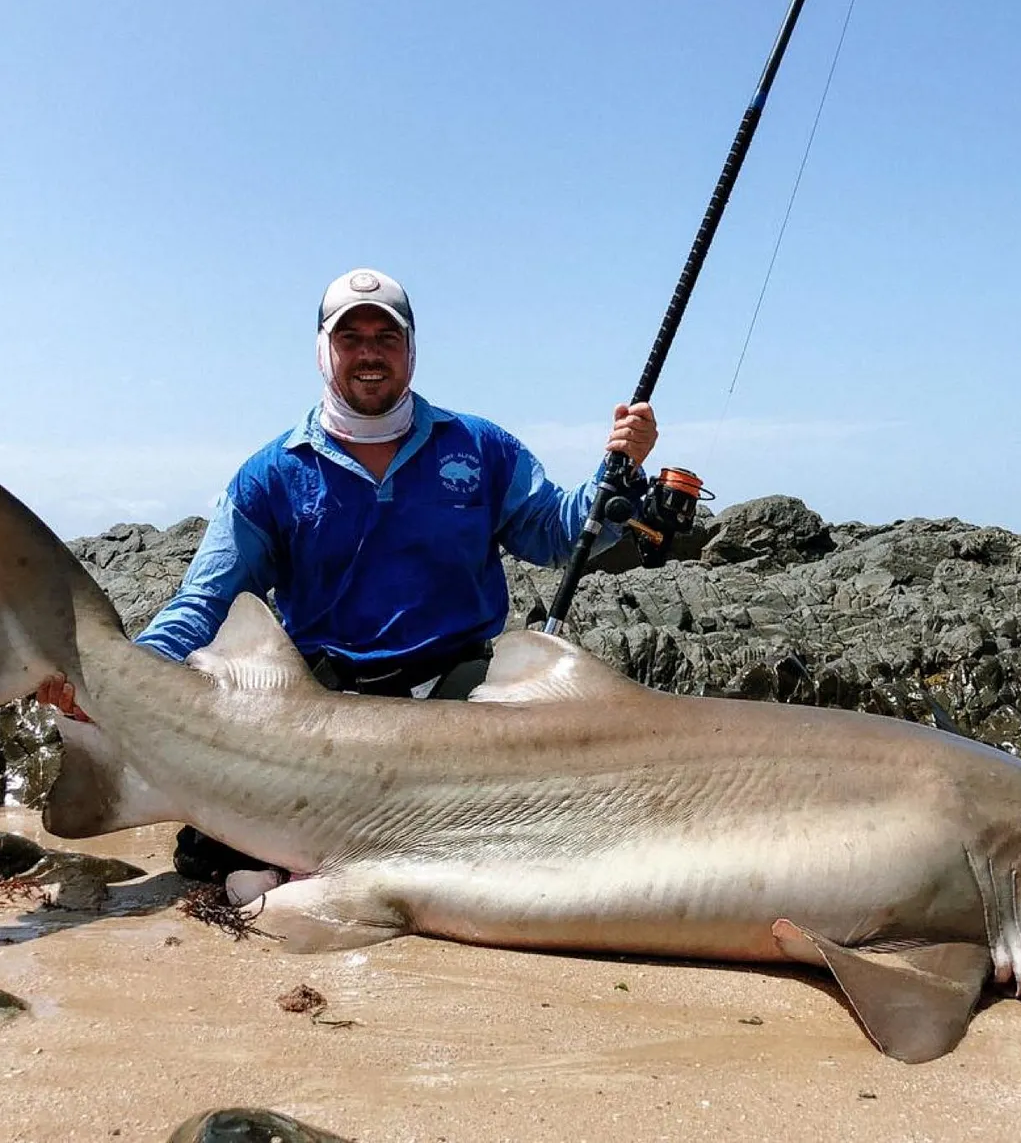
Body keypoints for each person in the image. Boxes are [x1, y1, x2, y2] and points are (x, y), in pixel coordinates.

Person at [37, 267, 658, 897]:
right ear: (323, 350)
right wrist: (115, 678)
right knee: (206, 854)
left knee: (540, 833)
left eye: (386, 339)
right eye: (350, 337)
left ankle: (315, 871)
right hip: (323, 704)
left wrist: (622, 474)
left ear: (411, 350)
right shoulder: (271, 475)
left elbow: (556, 532)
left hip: (461, 690)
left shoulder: (479, 447)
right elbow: (205, 601)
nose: (369, 354)